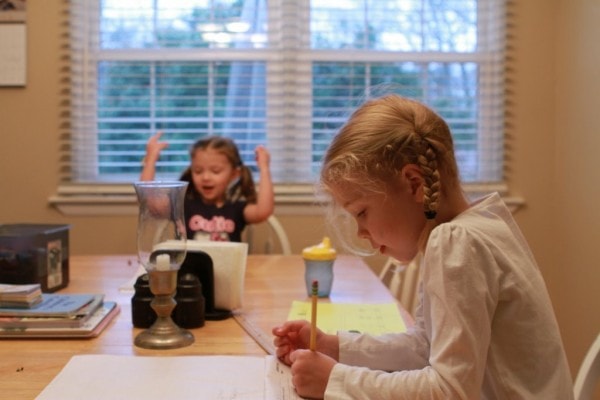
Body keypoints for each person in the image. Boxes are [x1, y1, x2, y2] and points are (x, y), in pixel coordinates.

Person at [272, 95, 573, 399]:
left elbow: (449, 391)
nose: (361, 231)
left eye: (362, 212)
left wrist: (335, 381)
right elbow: (426, 346)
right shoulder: (480, 225)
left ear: (414, 183)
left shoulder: (457, 244)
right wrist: (334, 347)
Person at [140, 132, 274, 242]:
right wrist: (151, 160)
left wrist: (264, 169)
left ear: (234, 174)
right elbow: (151, 203)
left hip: (227, 272)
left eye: (215, 171)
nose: (206, 177)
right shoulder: (183, 204)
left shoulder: (236, 207)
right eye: (198, 171)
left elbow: (263, 211)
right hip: (188, 273)